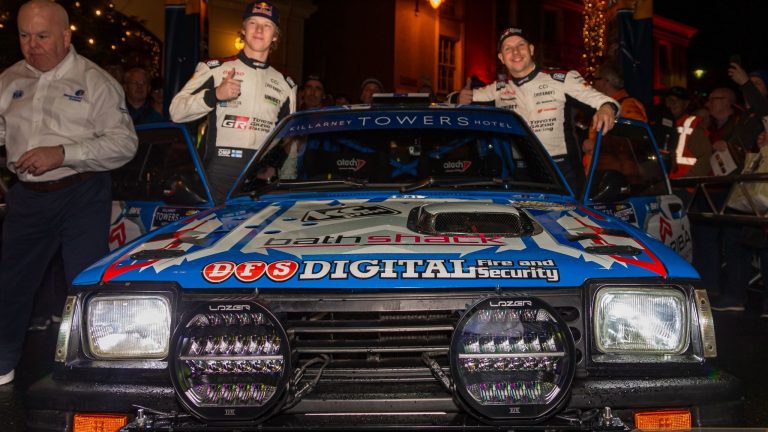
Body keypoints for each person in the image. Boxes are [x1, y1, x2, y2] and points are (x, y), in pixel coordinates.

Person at [0, 0, 138, 385]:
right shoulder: (9, 80)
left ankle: (95, 367)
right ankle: (2, 362)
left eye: (42, 36)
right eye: (24, 36)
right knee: (11, 283)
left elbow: (124, 144)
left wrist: (62, 154)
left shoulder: (95, 81)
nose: (32, 45)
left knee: (85, 282)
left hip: (82, 193)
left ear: (65, 36)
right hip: (28, 198)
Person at [459, 27, 619, 190]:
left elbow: (605, 102)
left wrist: (606, 108)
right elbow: (458, 100)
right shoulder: (497, 89)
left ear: (531, 49)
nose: (515, 52)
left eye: (521, 45)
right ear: (502, 58)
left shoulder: (562, 79)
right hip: (522, 173)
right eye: (508, 48)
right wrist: (459, 97)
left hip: (562, 171)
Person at [170, 1, 296, 203]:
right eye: (253, 23)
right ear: (243, 30)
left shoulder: (286, 84)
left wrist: (273, 164)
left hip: (259, 175)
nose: (259, 30)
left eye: (267, 25)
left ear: (275, 36)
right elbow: (176, 112)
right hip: (218, 169)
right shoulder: (214, 68)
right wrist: (215, 95)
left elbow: (288, 136)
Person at [582, 62, 647, 171]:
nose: (593, 84)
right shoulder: (606, 106)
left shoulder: (627, 104)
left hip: (617, 173)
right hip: (604, 171)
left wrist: (598, 146)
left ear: (605, 82)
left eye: (595, 79)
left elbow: (637, 137)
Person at [664, 86, 712, 179]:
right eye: (669, 100)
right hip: (664, 183)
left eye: (677, 100)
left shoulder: (694, 128)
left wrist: (686, 181)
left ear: (686, 104)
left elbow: (706, 158)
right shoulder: (661, 125)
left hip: (683, 184)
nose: (672, 103)